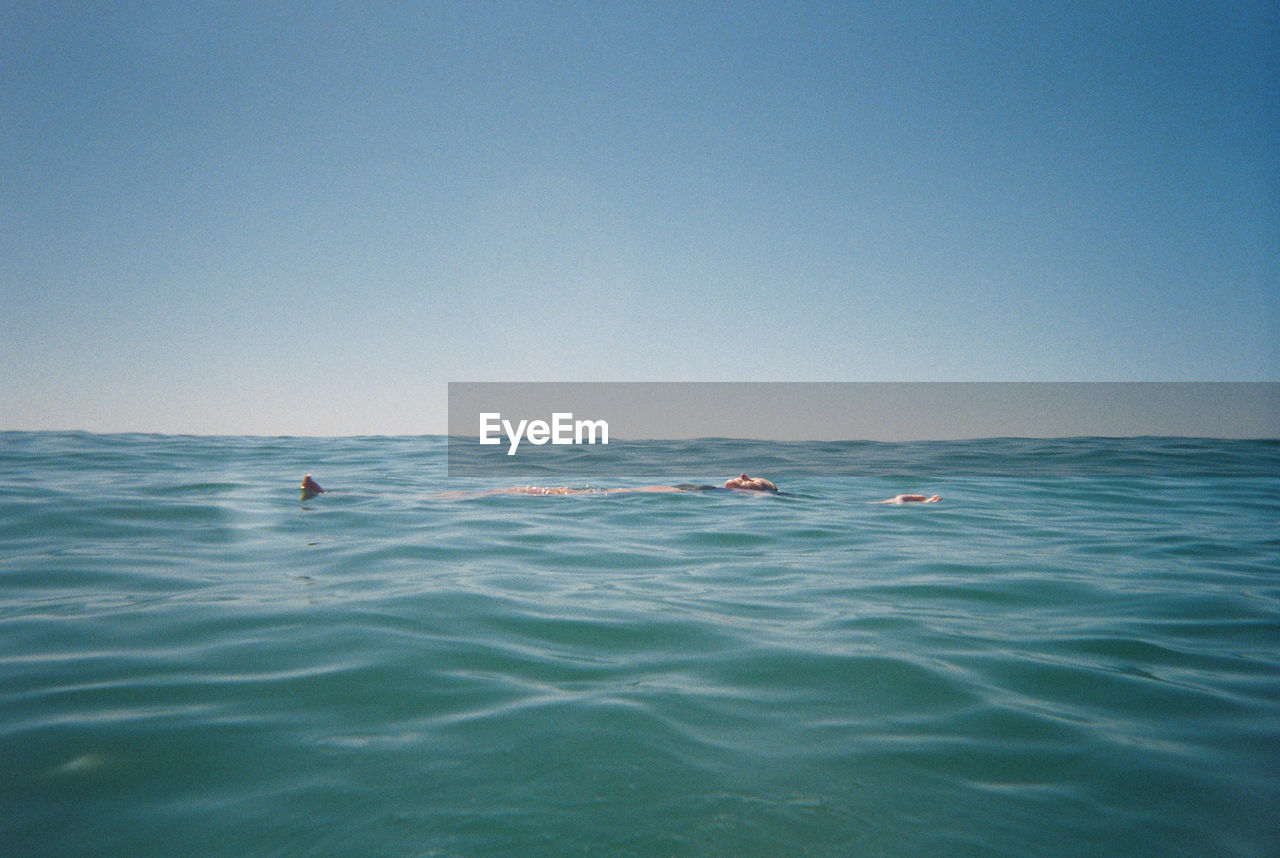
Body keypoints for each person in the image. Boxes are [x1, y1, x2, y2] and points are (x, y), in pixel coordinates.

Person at [300, 473, 779, 499]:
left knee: (515, 493)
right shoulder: (709, 493)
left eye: (750, 479)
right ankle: (336, 495)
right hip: (599, 498)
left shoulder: (714, 495)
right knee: (512, 492)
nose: (740, 476)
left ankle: (335, 495)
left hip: (598, 501)